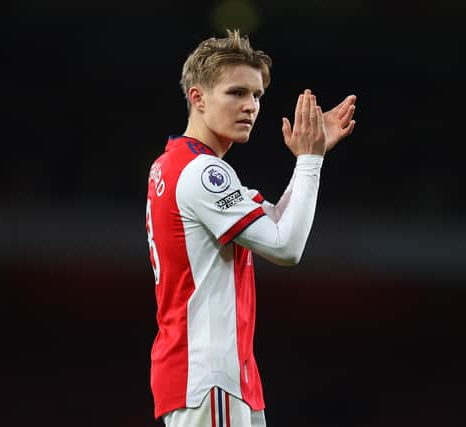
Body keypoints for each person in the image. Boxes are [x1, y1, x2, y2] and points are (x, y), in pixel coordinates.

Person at [145, 29, 356, 427]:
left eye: (257, 95)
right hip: (210, 373)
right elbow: (286, 247)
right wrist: (309, 162)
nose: (251, 106)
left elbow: (276, 221)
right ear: (198, 97)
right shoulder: (203, 173)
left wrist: (312, 159)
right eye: (236, 92)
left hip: (209, 375)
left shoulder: (177, 163)